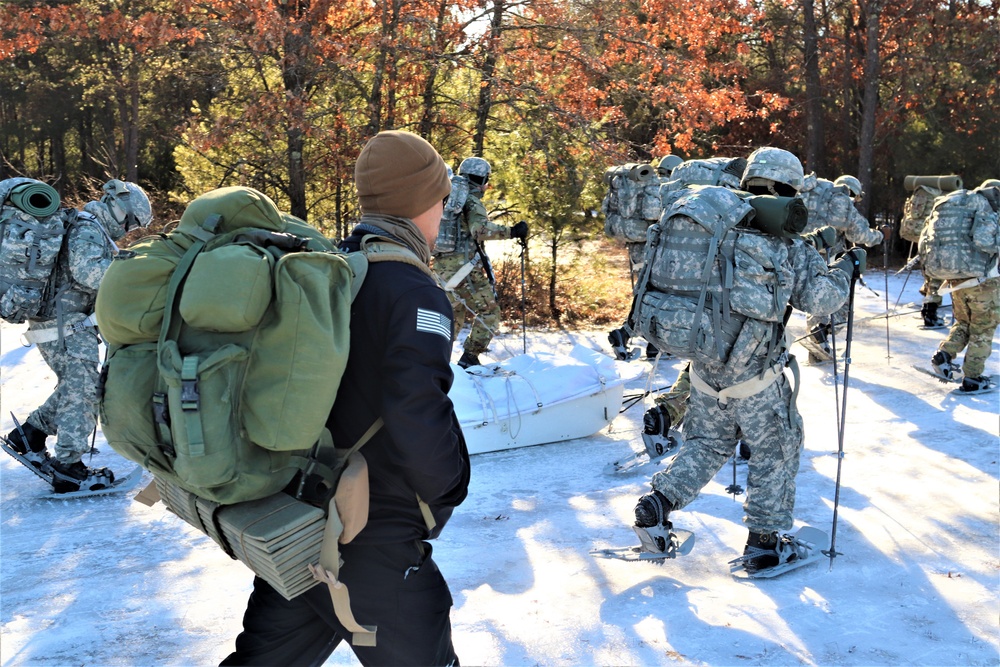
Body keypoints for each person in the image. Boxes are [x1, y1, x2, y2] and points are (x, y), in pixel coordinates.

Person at [223, 130, 471, 666]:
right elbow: (417, 407)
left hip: (303, 525)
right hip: (374, 537)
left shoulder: (333, 269)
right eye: (441, 199)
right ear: (420, 201)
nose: (444, 213)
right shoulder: (413, 291)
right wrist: (449, 487)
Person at [632, 147, 857, 573]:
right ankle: (764, 545)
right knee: (777, 450)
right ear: (791, 189)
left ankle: (657, 503)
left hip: (704, 365)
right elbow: (821, 300)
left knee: (707, 444)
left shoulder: (717, 228)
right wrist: (846, 269)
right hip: (757, 378)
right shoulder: (785, 244)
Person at [4, 179, 152, 493]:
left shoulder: (87, 227)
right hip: (66, 324)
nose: (127, 230)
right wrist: (133, 272)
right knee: (84, 389)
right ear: (119, 208)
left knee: (78, 385)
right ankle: (69, 468)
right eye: (131, 223)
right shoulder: (88, 228)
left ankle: (30, 435)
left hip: (62, 322)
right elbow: (88, 273)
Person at [433, 156, 527, 369]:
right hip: (464, 270)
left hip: (442, 268)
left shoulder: (448, 198)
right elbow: (480, 230)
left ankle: (435, 360)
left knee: (453, 315)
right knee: (490, 313)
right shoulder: (471, 201)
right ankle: (469, 359)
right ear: (482, 179)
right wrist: (512, 231)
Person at [797, 171, 884, 363]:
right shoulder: (842, 200)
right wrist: (880, 235)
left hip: (802, 252)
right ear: (853, 193)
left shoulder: (813, 192)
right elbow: (860, 235)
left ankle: (817, 338)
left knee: (813, 296)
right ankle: (823, 331)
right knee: (840, 298)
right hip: (830, 256)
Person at [927, 179, 1000, 393]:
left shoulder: (965, 208)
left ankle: (943, 355)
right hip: (983, 282)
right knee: (982, 328)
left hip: (957, 279)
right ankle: (973, 378)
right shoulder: (988, 209)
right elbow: (984, 241)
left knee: (964, 323)